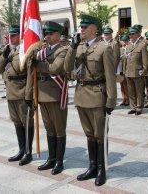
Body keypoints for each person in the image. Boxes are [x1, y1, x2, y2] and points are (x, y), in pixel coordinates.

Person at [64, 14, 116, 186]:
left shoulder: (104, 48)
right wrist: (72, 47)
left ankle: (101, 169)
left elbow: (110, 76)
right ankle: (92, 166)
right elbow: (66, 68)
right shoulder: (78, 47)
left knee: (100, 135)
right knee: (89, 134)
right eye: (81, 27)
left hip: (96, 95)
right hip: (81, 94)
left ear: (94, 28)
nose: (82, 30)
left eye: (85, 27)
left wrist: (111, 101)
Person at [33, 21, 68, 175]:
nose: (47, 36)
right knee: (49, 129)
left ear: (58, 35)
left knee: (59, 129)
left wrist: (38, 64)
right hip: (42, 94)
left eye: (50, 33)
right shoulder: (42, 51)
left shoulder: (63, 50)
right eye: (46, 33)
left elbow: (55, 68)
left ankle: (59, 161)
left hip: (55, 94)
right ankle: (51, 158)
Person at [0, 25, 34, 166]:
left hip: (22, 90)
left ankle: (28, 152)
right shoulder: (8, 50)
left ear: (20, 36)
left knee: (27, 122)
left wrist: (29, 94)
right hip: (10, 91)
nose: (10, 38)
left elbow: (30, 73)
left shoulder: (26, 51)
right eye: (9, 36)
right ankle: (21, 150)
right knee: (17, 122)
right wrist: (5, 56)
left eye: (13, 35)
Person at [122, 27, 148, 115]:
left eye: (133, 34)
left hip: (138, 72)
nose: (131, 36)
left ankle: (139, 107)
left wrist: (144, 71)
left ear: (137, 35)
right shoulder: (128, 46)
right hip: (129, 72)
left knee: (139, 91)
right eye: (130, 34)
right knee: (131, 91)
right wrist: (124, 71)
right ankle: (132, 107)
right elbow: (125, 60)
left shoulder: (142, 45)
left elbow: (145, 60)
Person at [118, 34, 130, 107]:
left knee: (127, 85)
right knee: (122, 85)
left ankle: (128, 99)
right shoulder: (120, 49)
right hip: (121, 70)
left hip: (127, 70)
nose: (124, 42)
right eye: (123, 41)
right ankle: (124, 98)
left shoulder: (129, 48)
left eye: (126, 41)